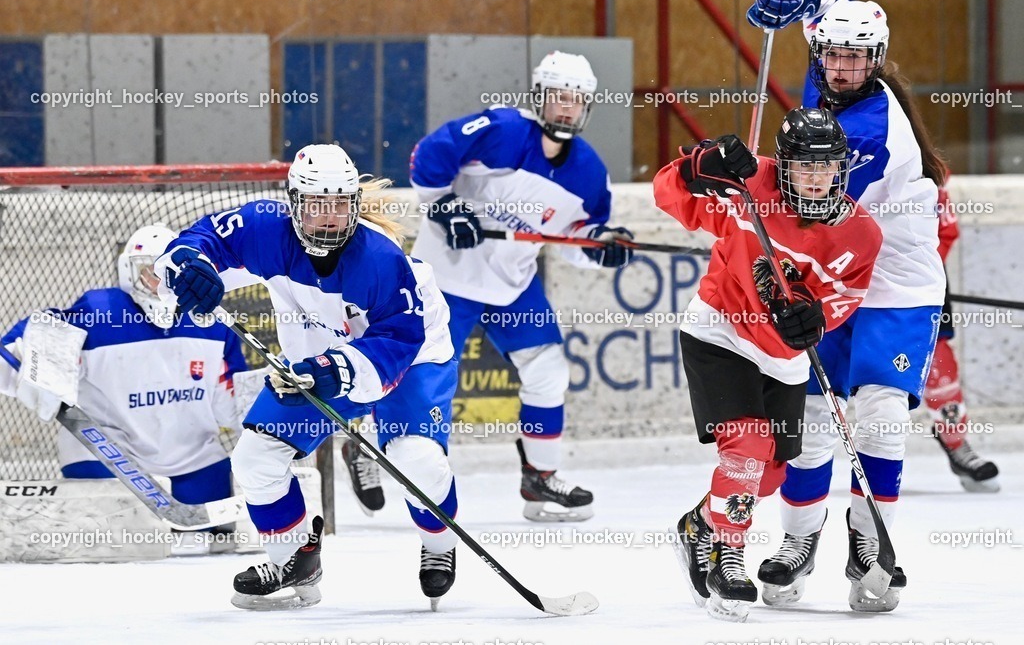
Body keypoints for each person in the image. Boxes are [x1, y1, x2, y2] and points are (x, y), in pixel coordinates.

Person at [156, 144, 461, 611]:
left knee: (416, 459)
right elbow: (198, 243)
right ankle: (293, 559)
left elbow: (399, 339)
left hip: (413, 355)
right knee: (256, 457)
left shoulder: (380, 260)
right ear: (293, 202)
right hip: (317, 357)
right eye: (317, 206)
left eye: (340, 206)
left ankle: (440, 546)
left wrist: (334, 370)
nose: (328, 219)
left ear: (354, 206)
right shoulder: (264, 229)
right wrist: (188, 269)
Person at [748, 0, 948, 612]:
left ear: (877, 61)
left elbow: (807, 208)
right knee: (810, 420)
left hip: (894, 281)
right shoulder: (834, 58)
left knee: (881, 418)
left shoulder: (871, 133)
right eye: (832, 55)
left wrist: (741, 202)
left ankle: (869, 546)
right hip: (837, 270)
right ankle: (797, 544)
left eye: (856, 57)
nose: (842, 68)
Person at [657, 109, 882, 622]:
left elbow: (847, 294)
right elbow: (669, 194)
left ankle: (700, 525)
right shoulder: (747, 182)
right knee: (748, 444)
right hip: (721, 329)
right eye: (805, 167)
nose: (817, 178)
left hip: (783, 358)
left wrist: (816, 317)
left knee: (772, 473)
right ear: (783, 166)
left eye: (827, 168)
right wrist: (699, 166)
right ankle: (727, 557)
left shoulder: (861, 234)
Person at [389, 49, 632, 523]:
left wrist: (601, 246)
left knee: (548, 370)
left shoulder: (589, 173)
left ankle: (539, 480)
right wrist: (441, 205)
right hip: (447, 281)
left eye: (577, 100)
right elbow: (427, 156)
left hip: (511, 285)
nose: (567, 108)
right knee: (425, 381)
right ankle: (387, 449)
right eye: (559, 97)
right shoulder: (500, 130)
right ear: (539, 98)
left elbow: (573, 241)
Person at [0, 224, 247, 553]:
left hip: (194, 462)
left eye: (172, 273)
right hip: (108, 458)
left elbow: (233, 409)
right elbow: (14, 355)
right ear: (129, 272)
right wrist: (35, 347)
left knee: (218, 549)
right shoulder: (100, 313)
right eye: (150, 272)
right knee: (107, 549)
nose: (162, 285)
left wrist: (272, 401)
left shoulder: (212, 323)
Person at [925, 185, 1000, 491]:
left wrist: (915, 269)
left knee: (939, 365)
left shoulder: (928, 174)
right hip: (852, 279)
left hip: (923, 284)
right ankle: (795, 457)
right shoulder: (847, 162)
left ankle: (956, 443)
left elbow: (946, 230)